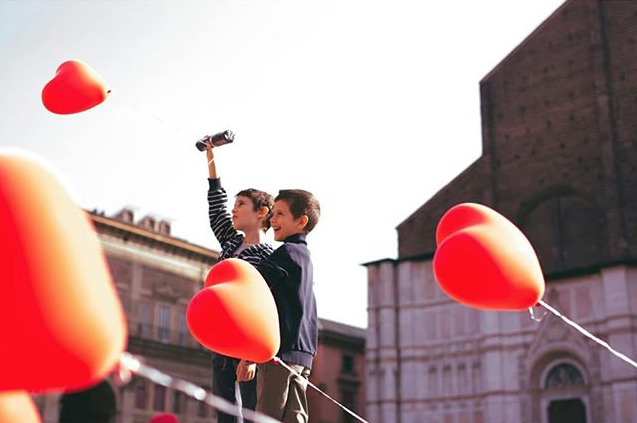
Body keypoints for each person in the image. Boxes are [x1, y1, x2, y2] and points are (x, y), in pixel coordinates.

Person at [204, 141, 275, 423]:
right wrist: (211, 157)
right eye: (234, 205)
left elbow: (264, 308)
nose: (233, 210)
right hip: (221, 338)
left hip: (247, 343)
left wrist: (251, 358)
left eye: (241, 205)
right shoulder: (231, 241)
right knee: (225, 411)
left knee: (251, 409)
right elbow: (216, 205)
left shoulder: (270, 256)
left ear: (262, 213)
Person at [236, 189, 321, 423]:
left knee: (267, 415)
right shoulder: (305, 257)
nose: (272, 220)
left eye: (280, 214)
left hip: (279, 351)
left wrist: (249, 356)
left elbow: (256, 293)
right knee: (295, 416)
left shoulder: (285, 255)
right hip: (303, 353)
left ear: (301, 221)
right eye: (273, 213)